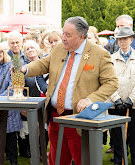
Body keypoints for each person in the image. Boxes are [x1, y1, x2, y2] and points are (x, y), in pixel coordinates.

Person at [19, 16, 119, 165]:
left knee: (82, 160)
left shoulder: (99, 54)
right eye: (63, 33)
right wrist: (25, 69)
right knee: (57, 159)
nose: (63, 38)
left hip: (80, 119)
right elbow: (43, 63)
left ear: (82, 36)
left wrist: (90, 99)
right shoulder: (59, 48)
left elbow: (112, 83)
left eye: (68, 35)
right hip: (55, 117)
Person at [105, 27, 135, 165]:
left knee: (133, 139)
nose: (123, 41)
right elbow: (107, 80)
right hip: (115, 105)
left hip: (133, 106)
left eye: (126, 38)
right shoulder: (110, 59)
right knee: (118, 140)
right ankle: (119, 162)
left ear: (131, 39)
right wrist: (116, 99)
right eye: (120, 39)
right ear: (117, 41)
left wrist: (131, 99)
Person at [19, 40, 48, 158]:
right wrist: (22, 107)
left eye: (32, 48)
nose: (30, 50)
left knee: (45, 130)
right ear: (25, 53)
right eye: (27, 49)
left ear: (37, 49)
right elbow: (19, 88)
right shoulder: (23, 68)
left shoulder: (45, 64)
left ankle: (43, 153)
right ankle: (34, 155)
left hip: (45, 104)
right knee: (32, 131)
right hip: (30, 105)